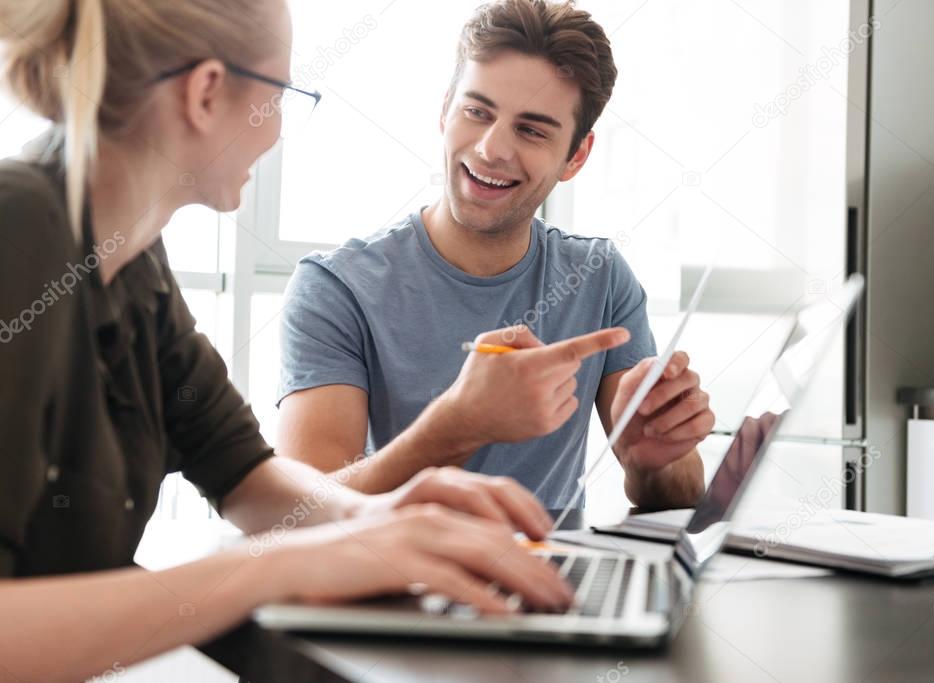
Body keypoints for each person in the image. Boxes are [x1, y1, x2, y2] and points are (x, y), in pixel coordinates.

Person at [0, 2, 576, 680]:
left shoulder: (132, 260)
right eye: (280, 96)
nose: (275, 130)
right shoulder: (21, 230)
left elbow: (243, 472)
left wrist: (376, 515)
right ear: (207, 91)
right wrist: (276, 564)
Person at [277, 0, 715, 511]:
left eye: (531, 130)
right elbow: (302, 512)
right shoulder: (336, 288)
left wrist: (654, 461)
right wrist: (457, 424)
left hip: (548, 581)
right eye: (477, 111)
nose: (491, 149)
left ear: (576, 155)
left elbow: (679, 497)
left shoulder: (601, 279)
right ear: (445, 111)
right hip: (398, 584)